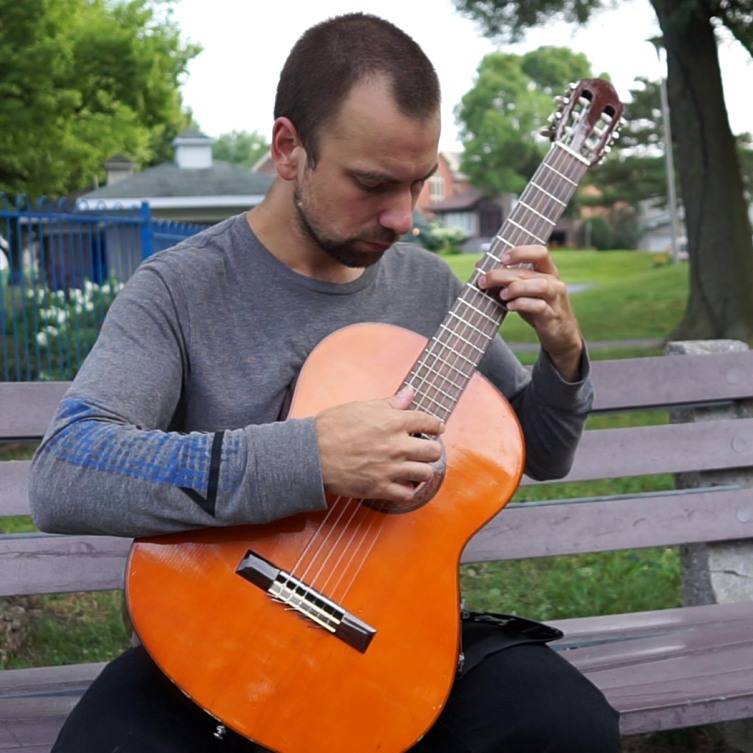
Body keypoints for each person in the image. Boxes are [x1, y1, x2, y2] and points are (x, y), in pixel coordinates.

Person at [29, 12, 620, 753]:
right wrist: (309, 456)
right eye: (373, 184)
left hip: (384, 638)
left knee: (565, 725)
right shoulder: (179, 290)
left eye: (418, 183)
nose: (402, 217)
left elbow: (536, 451)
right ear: (288, 150)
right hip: (217, 632)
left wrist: (564, 360)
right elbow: (64, 472)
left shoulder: (432, 289)